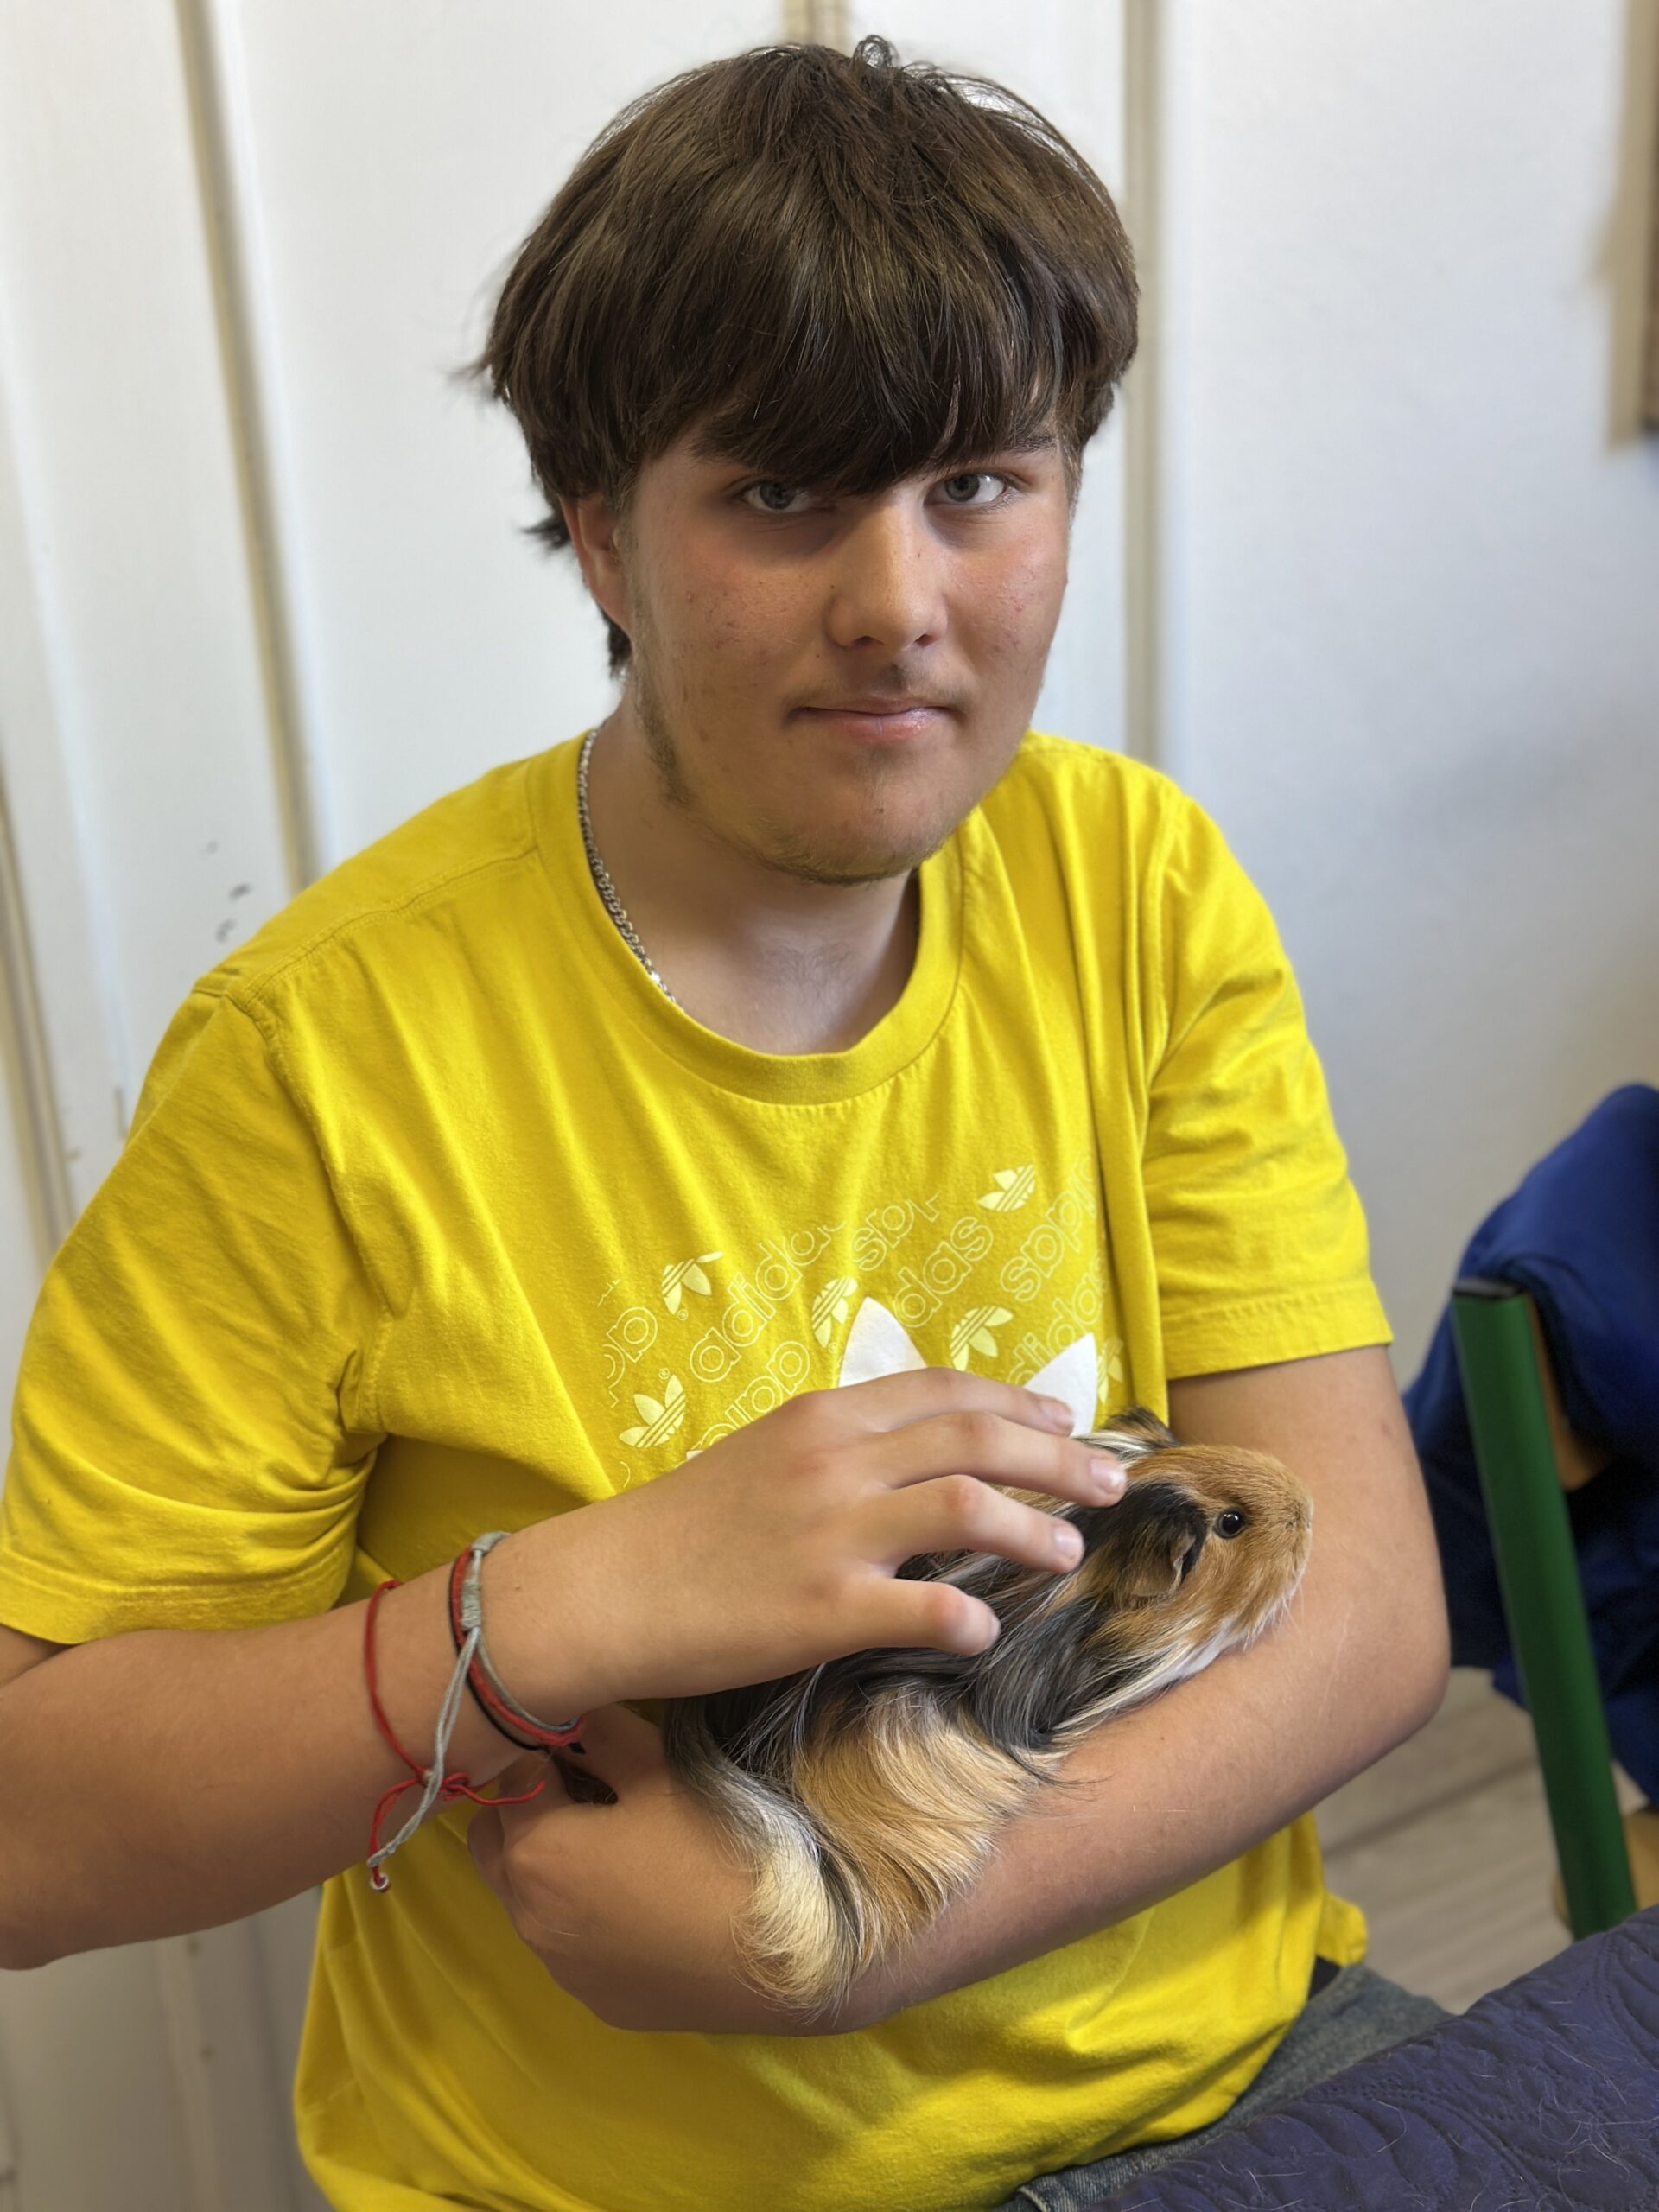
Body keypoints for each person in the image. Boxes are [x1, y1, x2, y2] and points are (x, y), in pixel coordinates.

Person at [0, 34, 1452, 2212]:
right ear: (602, 530)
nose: (900, 602)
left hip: (1228, 2073)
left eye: (981, 484)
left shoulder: (1139, 885)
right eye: (782, 493)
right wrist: (553, 1607)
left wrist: (846, 1932)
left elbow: (1367, 1611)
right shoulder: (316, 1056)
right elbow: (29, 1839)